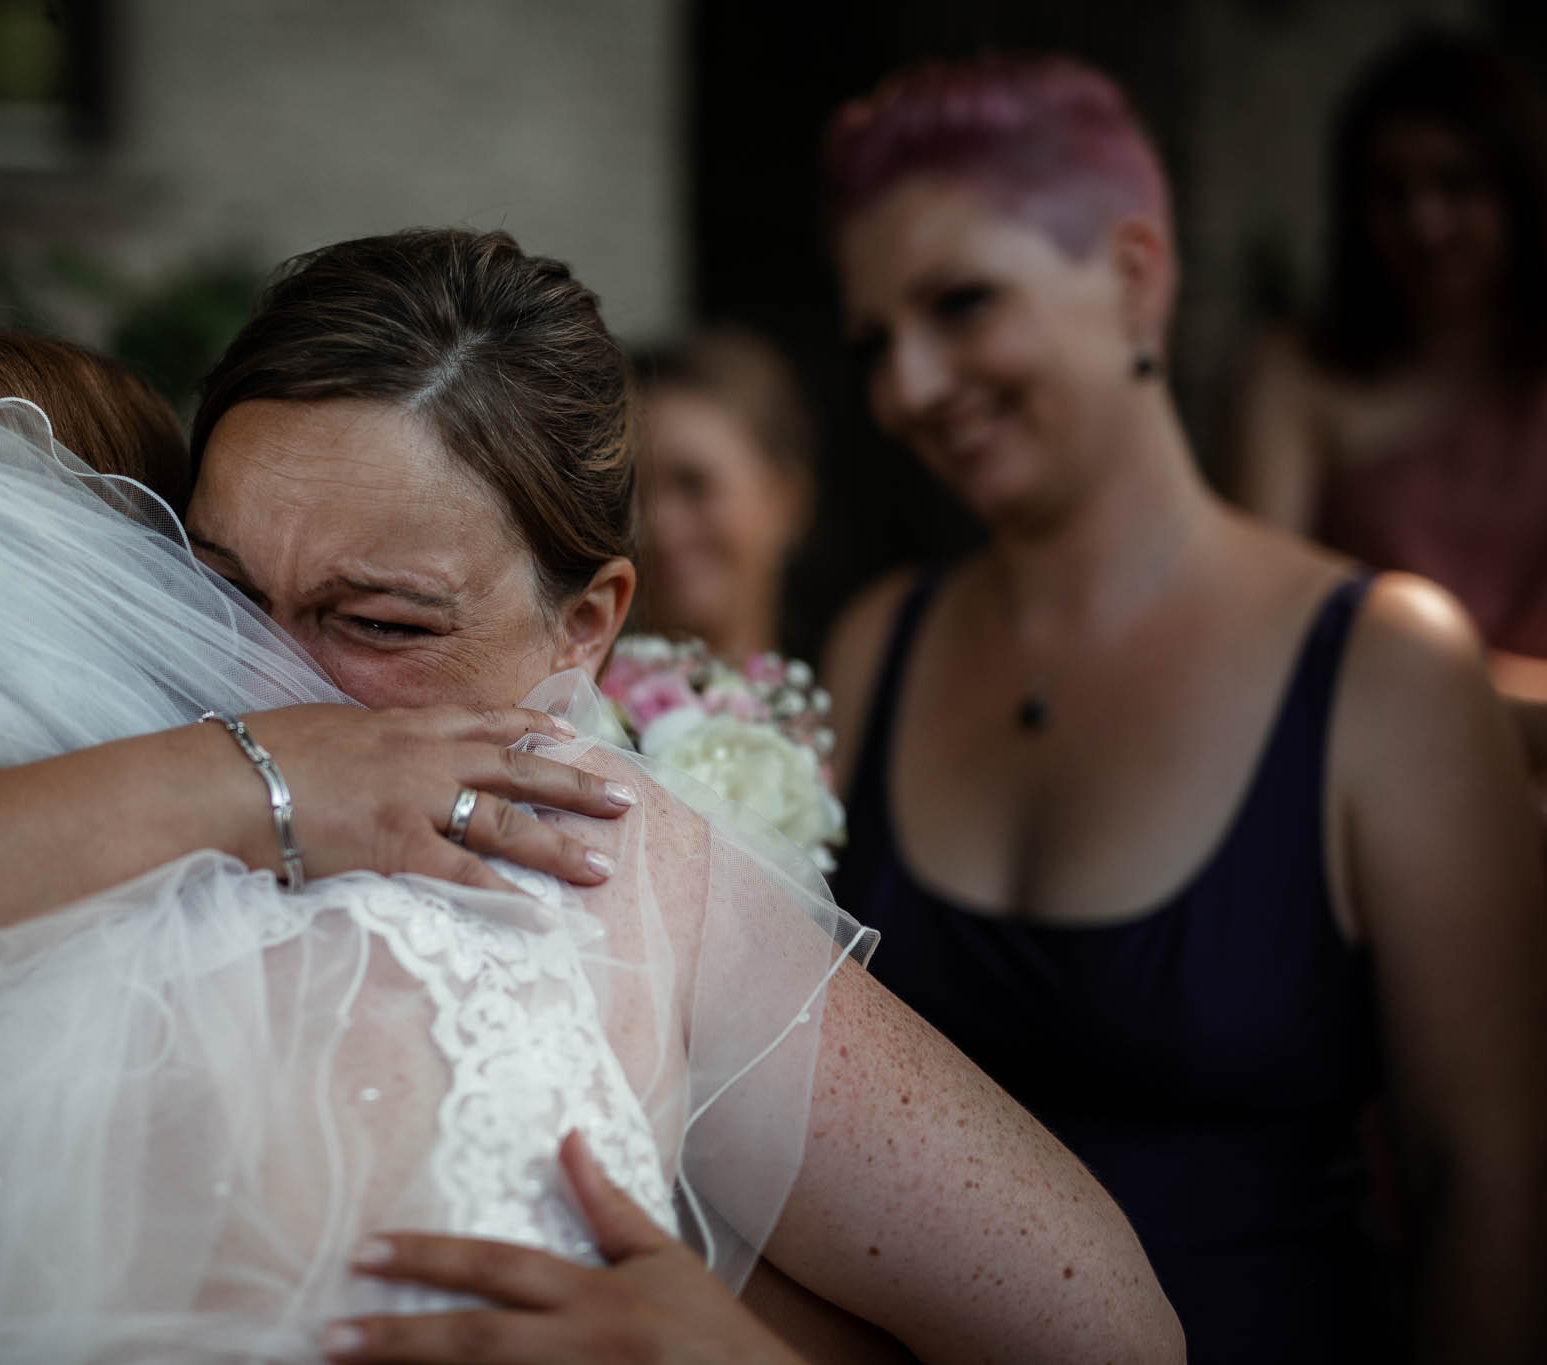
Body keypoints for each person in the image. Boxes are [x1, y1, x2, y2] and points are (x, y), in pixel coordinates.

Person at [0, 238, 1182, 1363]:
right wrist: (248, 779)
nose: (277, 679)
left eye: (380, 623)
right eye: (221, 596)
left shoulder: (595, 856)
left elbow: (1098, 1329)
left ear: (587, 627)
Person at [817, 56, 1547, 1365]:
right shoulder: (881, 643)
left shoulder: (1385, 666)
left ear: (1136, 273)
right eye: (876, 341)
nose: (909, 389)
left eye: (962, 304)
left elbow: (1485, 1189)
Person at [1233, 30, 1547, 777]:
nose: (1425, 223)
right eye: (1391, 193)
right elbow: (1262, 641)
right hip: (1365, 783)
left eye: (1457, 185)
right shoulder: (1296, 374)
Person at [633, 327, 816, 662]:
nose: (657, 528)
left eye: (693, 484)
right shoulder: (564, 711)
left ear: (786, 499)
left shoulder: (858, 702)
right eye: (632, 495)